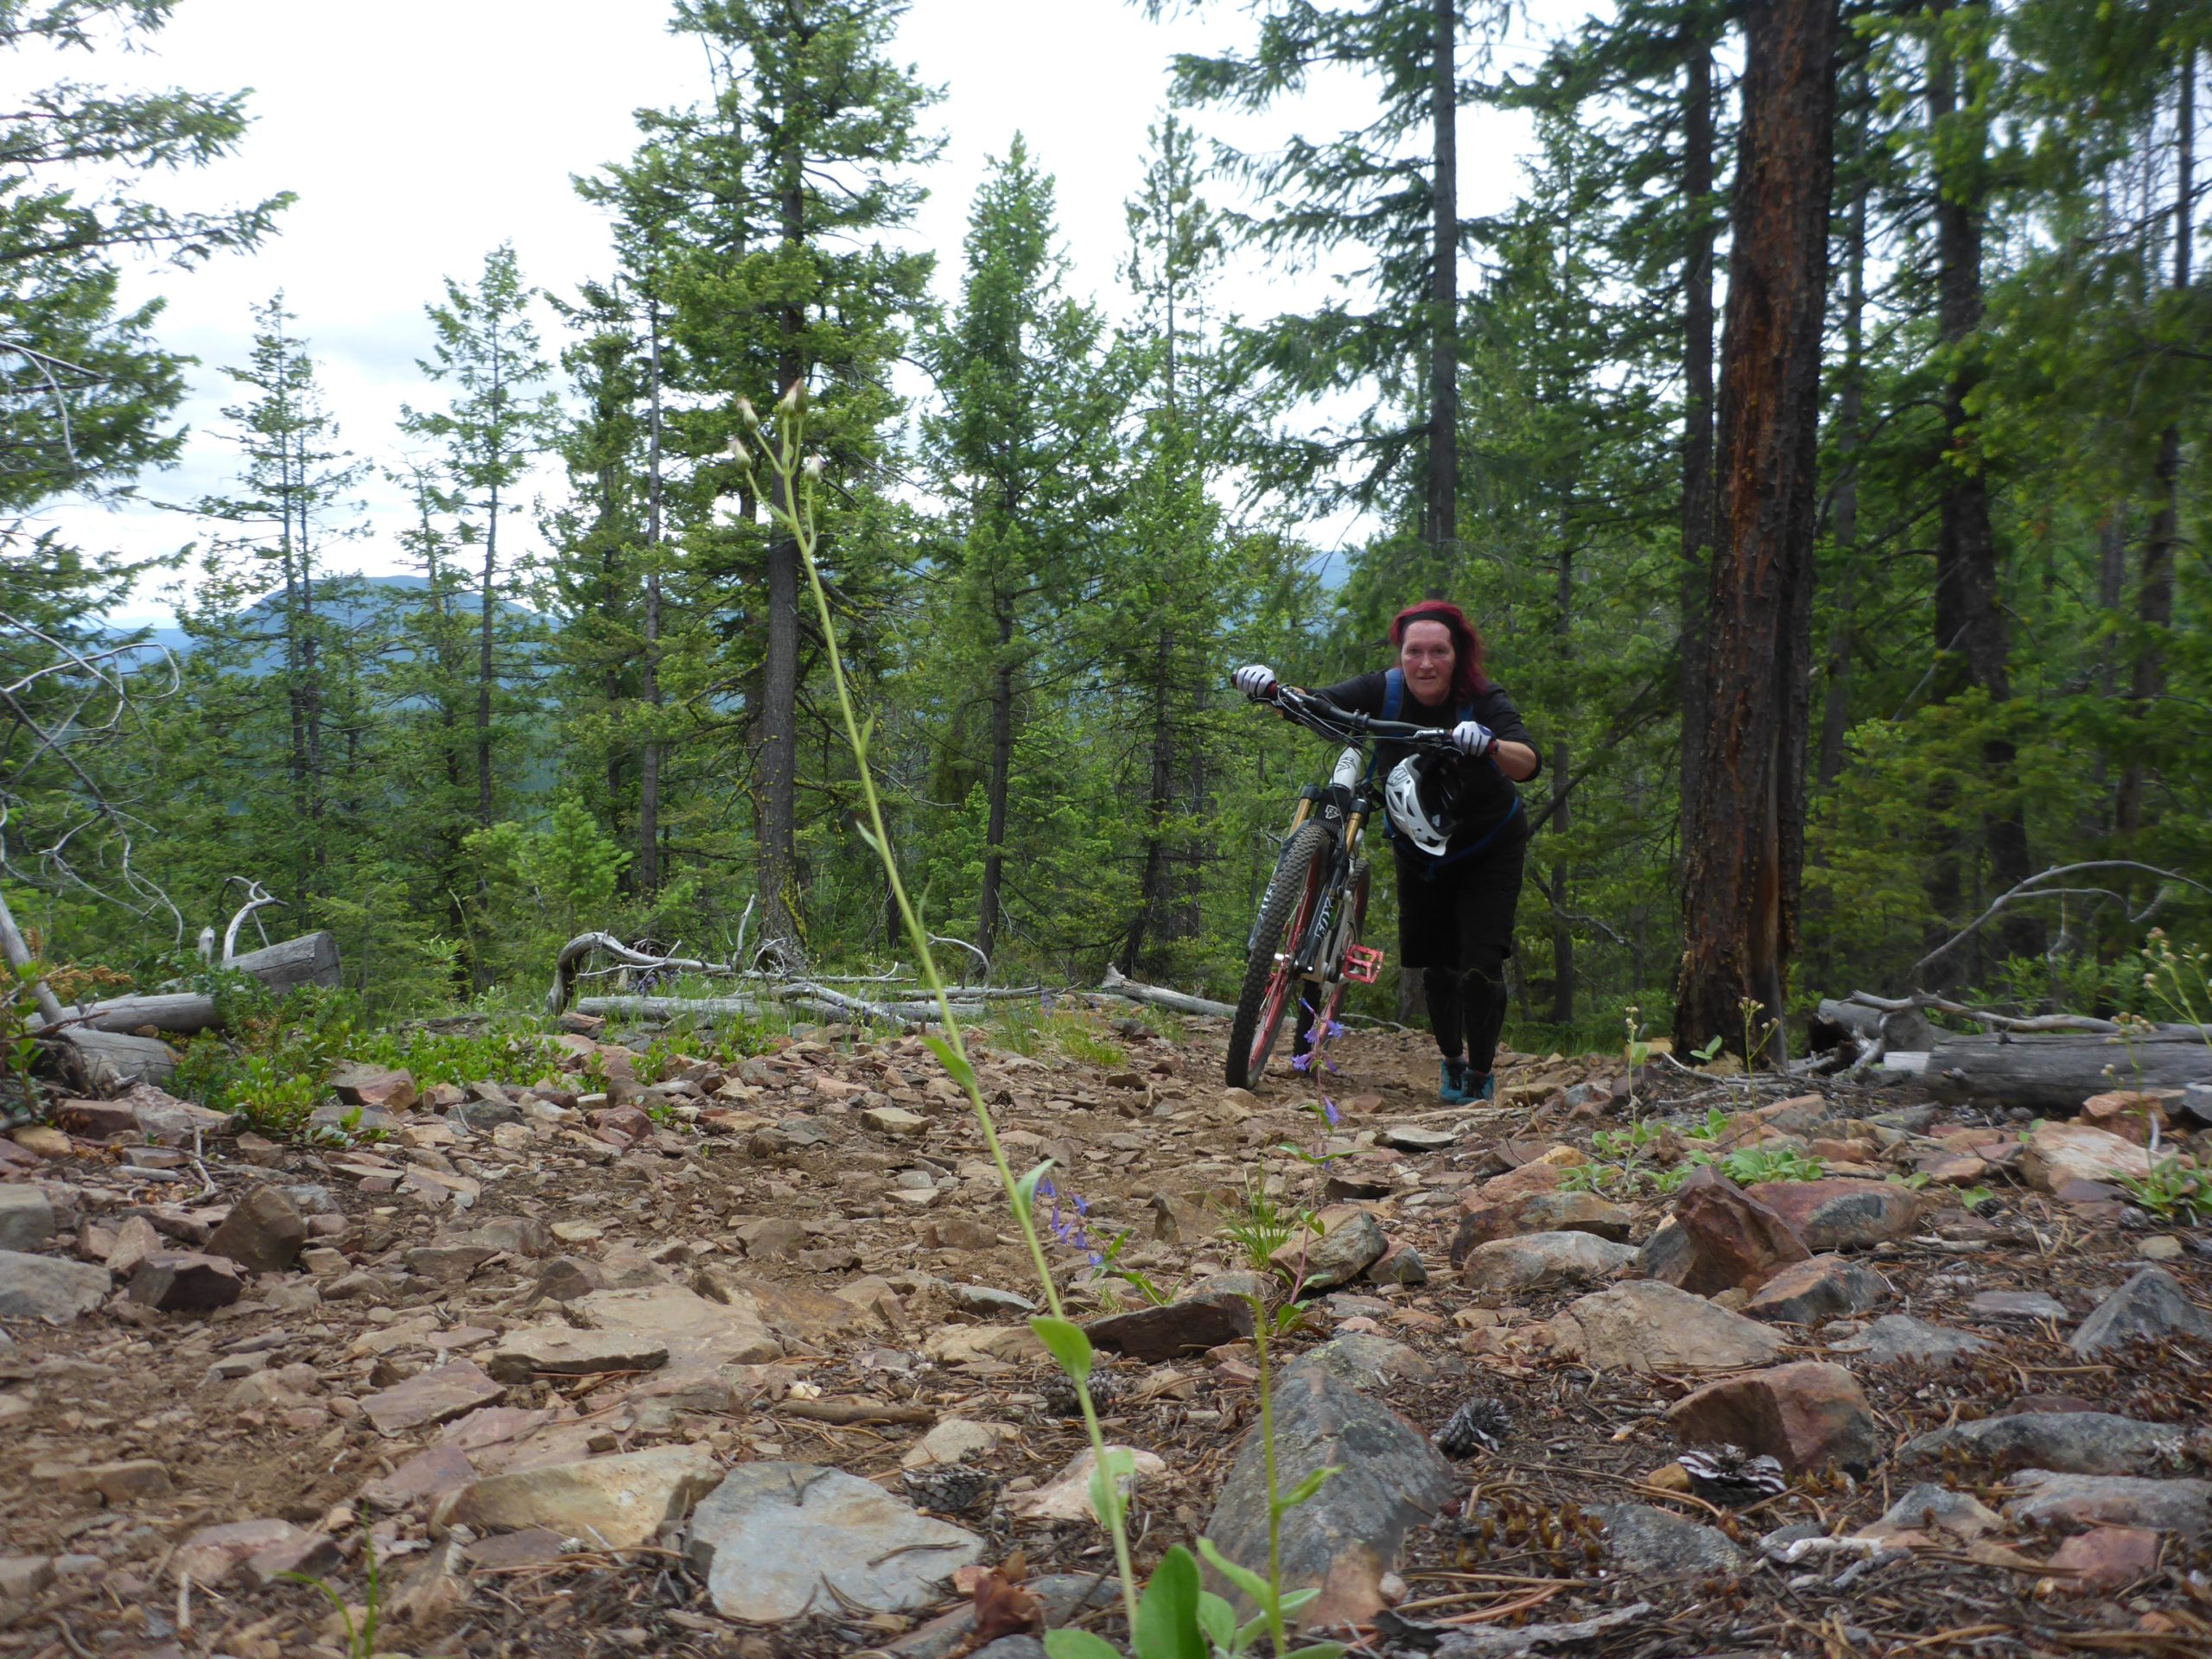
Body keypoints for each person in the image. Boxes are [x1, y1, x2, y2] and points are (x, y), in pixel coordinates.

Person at [1232, 600, 1541, 1103]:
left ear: (1456, 656)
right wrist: (1271, 689)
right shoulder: (1386, 689)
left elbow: (1527, 762)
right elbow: (1318, 703)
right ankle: (1452, 1062)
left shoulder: (1481, 698)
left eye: (1438, 651)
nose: (1425, 663)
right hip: (1420, 848)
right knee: (1437, 964)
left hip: (1488, 845)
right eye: (1414, 651)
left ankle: (1481, 1074)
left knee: (1481, 963)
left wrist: (1486, 743)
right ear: (1401, 655)